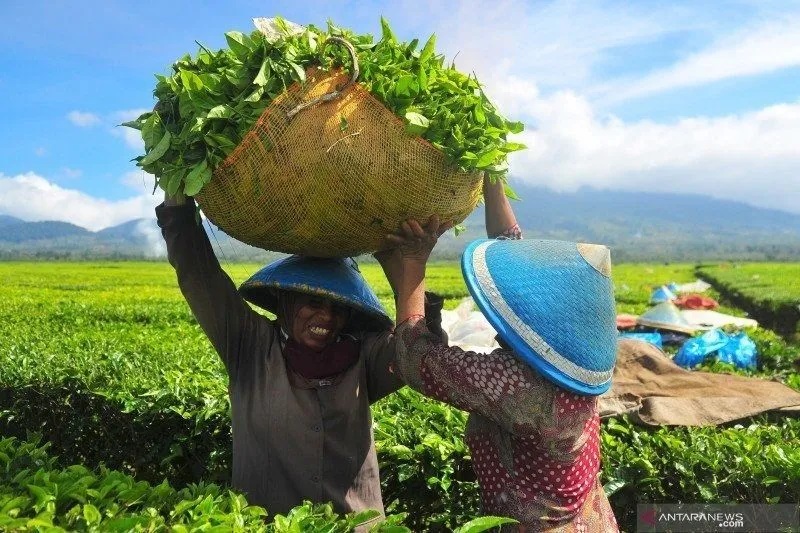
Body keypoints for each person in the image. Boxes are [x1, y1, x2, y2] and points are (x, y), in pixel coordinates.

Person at [155, 193, 445, 518]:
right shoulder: (250, 347)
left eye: (339, 308)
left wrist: (405, 262)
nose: (327, 317)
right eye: (314, 303)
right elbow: (199, 275)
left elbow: (422, 350)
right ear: (286, 300)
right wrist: (178, 209)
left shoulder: (364, 356)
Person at [381, 177, 620, 531]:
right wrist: (492, 177)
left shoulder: (519, 384)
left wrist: (414, 261)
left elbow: (418, 360)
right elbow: (513, 252)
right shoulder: (573, 366)